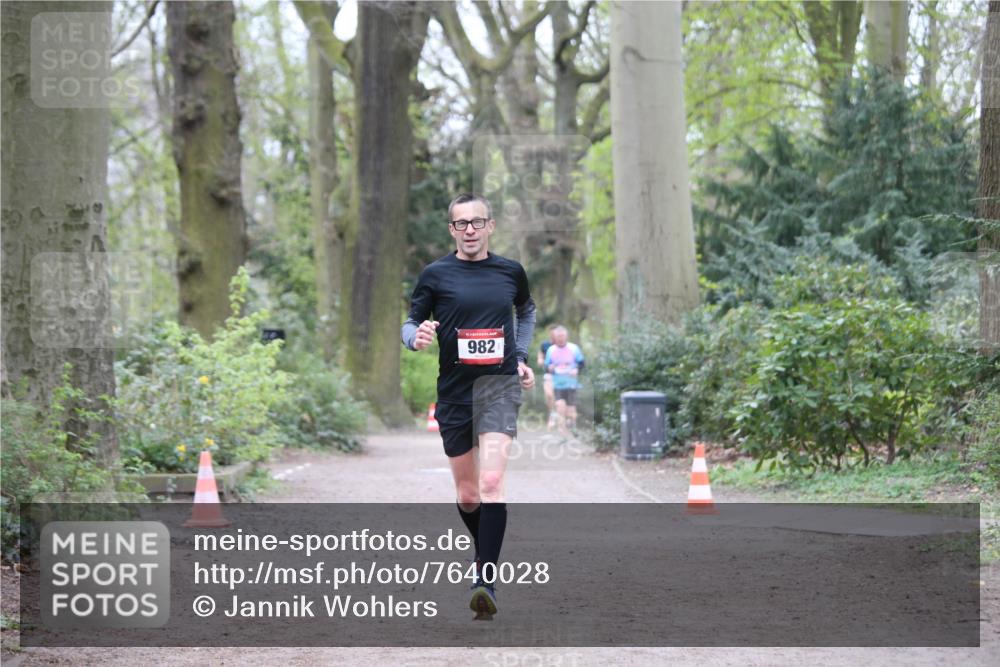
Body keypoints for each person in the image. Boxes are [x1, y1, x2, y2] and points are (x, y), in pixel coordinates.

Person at [401, 193, 536, 621]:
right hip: (455, 393)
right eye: (462, 224)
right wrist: (415, 337)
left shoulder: (510, 272)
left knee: (493, 481)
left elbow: (526, 311)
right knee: (469, 494)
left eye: (478, 222)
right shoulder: (435, 275)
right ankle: (485, 560)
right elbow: (410, 322)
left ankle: (485, 579)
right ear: (452, 230)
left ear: (491, 226)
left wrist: (521, 357)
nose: (471, 229)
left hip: (498, 388)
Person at [544, 326, 584, 434]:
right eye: (558, 336)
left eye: (562, 336)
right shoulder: (551, 350)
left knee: (571, 409)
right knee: (560, 405)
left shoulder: (574, 348)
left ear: (566, 336)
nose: (560, 338)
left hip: (571, 383)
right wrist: (550, 368)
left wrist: (576, 369)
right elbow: (546, 367)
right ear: (555, 337)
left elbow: (581, 363)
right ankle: (562, 431)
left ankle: (573, 428)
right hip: (558, 384)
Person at [537, 325, 558, 430]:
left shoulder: (564, 345)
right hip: (548, 374)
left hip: (562, 375)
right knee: (549, 395)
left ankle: (558, 417)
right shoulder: (545, 345)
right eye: (552, 333)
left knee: (559, 397)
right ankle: (552, 414)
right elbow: (540, 359)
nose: (554, 335)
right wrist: (544, 363)